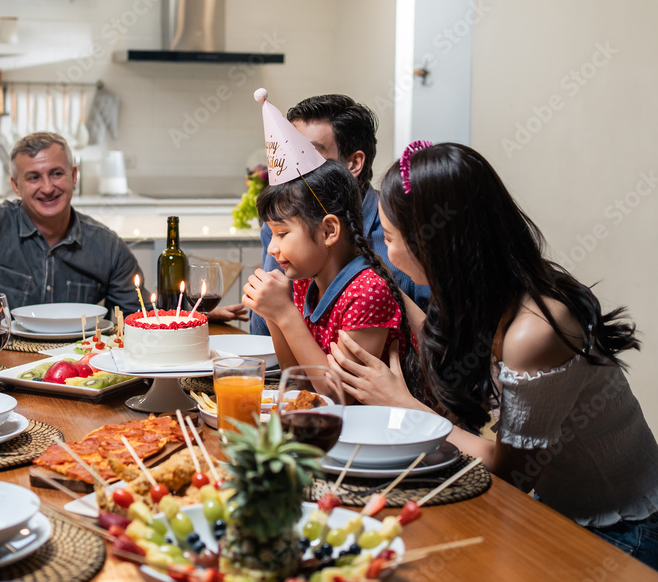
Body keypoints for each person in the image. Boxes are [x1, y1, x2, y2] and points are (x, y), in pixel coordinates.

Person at [326, 141, 658, 569]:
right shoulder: (487, 287)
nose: (385, 248)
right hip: (556, 507)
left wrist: (403, 405)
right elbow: (445, 340)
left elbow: (510, 472)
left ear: (434, 242)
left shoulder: (533, 332)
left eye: (388, 238)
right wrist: (387, 275)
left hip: (622, 529)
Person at [0, 132, 245, 333]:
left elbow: (136, 320)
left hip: (79, 374)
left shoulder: (107, 247)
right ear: (16, 186)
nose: (47, 187)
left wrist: (186, 316)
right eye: (33, 177)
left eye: (56, 173)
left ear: (74, 176)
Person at [249, 94, 429, 336]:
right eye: (290, 153)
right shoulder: (282, 231)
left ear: (354, 163)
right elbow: (265, 336)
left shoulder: (399, 228)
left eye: (307, 154)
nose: (296, 169)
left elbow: (438, 343)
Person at [242, 160, 422, 398]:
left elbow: (340, 396)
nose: (273, 248)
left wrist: (284, 314)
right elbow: (298, 380)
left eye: (282, 233)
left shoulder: (368, 291)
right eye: (271, 234)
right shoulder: (305, 279)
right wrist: (272, 314)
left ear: (329, 231)